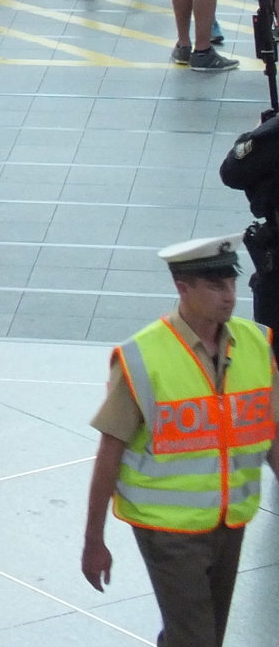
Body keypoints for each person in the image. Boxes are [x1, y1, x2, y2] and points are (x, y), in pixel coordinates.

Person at [80, 235, 276, 647]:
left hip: (230, 519)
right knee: (197, 640)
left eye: (231, 284)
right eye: (216, 286)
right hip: (166, 528)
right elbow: (109, 452)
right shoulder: (142, 357)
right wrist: (93, 541)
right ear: (182, 288)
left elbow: (270, 431)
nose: (229, 296)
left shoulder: (257, 344)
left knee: (204, 634)